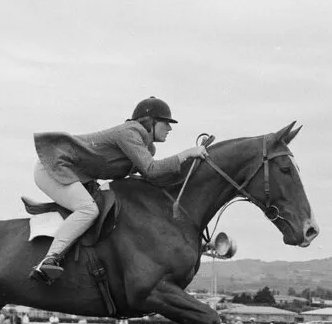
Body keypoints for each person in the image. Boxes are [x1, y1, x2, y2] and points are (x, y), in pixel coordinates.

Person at [29, 96, 209, 284]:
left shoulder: (146, 147)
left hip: (76, 176)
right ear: (150, 121)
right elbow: (152, 170)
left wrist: (191, 166)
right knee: (88, 209)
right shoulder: (129, 133)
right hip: (52, 167)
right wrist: (187, 153)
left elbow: (152, 177)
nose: (170, 128)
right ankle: (49, 260)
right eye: (166, 123)